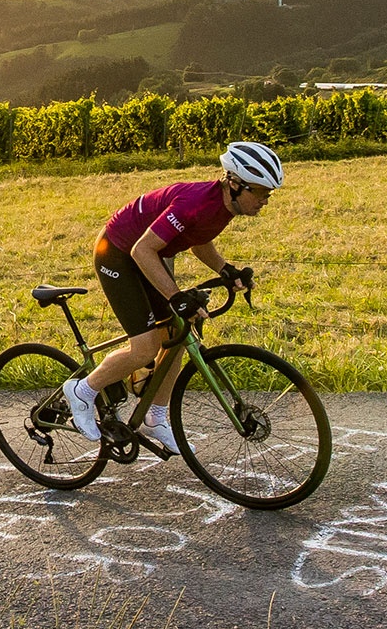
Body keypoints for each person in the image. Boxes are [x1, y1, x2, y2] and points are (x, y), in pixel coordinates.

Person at [60, 140, 283, 451]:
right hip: (118, 253)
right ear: (234, 184)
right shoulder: (195, 202)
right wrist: (176, 296)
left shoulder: (223, 208)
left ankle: (156, 415)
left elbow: (198, 239)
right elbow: (141, 249)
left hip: (148, 254)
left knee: (179, 332)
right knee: (145, 349)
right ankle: (82, 391)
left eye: (268, 194)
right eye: (259, 192)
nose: (265, 200)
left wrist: (225, 270)